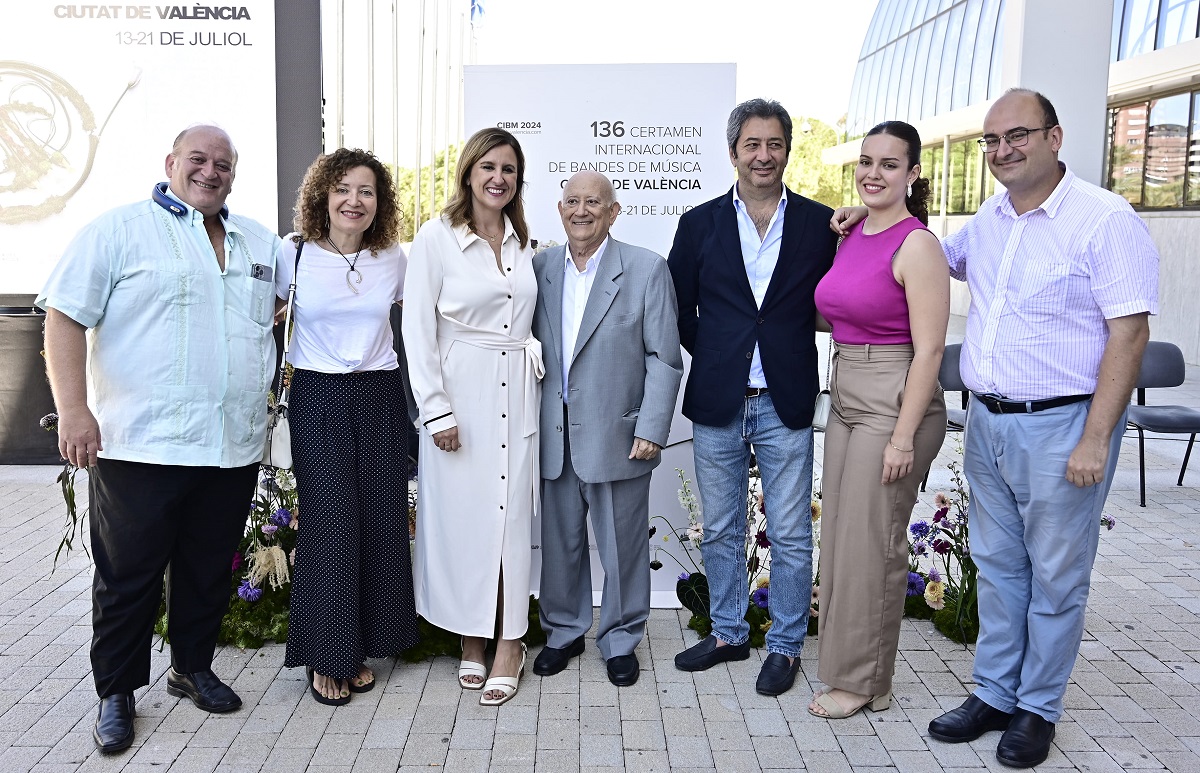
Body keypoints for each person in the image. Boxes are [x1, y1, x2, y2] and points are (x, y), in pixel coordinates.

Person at [834, 89, 1159, 768]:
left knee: (1057, 576)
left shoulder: (1104, 220)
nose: (1003, 150)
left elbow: (1129, 334)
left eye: (1017, 135)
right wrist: (864, 216)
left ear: (1054, 136)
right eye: (991, 141)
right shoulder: (990, 218)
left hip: (1063, 424)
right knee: (1000, 569)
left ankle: (1037, 708)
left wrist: (1097, 438)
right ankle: (993, 691)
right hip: (988, 422)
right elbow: (922, 255)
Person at [37, 125, 281, 753]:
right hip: (140, 445)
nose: (210, 171)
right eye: (197, 160)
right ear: (170, 162)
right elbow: (64, 315)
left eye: (222, 163)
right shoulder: (118, 231)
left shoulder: (258, 240)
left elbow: (294, 306)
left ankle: (192, 668)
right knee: (129, 575)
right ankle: (116, 692)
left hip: (228, 445)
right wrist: (73, 410)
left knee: (206, 569)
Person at [667, 98, 838, 696]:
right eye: (752, 145)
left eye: (775, 145)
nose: (763, 156)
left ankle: (786, 646)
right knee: (720, 527)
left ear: (788, 151)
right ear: (733, 151)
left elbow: (839, 295)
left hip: (785, 400)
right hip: (718, 398)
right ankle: (729, 633)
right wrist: (719, 351)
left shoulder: (822, 225)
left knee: (791, 531)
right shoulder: (698, 224)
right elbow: (679, 311)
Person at [807, 121, 949, 720]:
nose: (873, 174)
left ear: (913, 174)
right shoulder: (854, 229)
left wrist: (900, 437)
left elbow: (931, 352)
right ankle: (853, 668)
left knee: (874, 546)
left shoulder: (917, 246)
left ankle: (864, 682)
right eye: (866, 162)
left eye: (890, 165)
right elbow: (837, 311)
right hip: (845, 395)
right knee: (841, 538)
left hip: (896, 401)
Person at [402, 127, 542, 707]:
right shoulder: (436, 238)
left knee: (512, 520)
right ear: (467, 172)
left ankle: (511, 641)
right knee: (464, 520)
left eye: (508, 169)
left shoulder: (523, 242)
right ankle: (471, 640)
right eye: (487, 166)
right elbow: (417, 330)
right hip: (462, 395)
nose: (497, 178)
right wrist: (436, 411)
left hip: (519, 394)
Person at [531, 171, 683, 687]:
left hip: (620, 435)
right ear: (559, 208)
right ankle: (564, 631)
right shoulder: (540, 268)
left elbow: (665, 358)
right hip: (554, 433)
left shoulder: (645, 269)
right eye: (572, 201)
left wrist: (653, 427)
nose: (581, 211)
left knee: (622, 546)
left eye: (593, 202)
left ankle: (620, 639)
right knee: (560, 545)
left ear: (613, 211)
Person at [278, 148, 419, 705]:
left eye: (366, 191)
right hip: (316, 393)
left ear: (379, 202)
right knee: (330, 522)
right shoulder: (293, 254)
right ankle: (325, 656)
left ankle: (360, 644)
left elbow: (435, 315)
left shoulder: (394, 258)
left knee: (379, 519)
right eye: (342, 188)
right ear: (322, 195)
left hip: (379, 394)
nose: (354, 200)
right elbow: (255, 312)